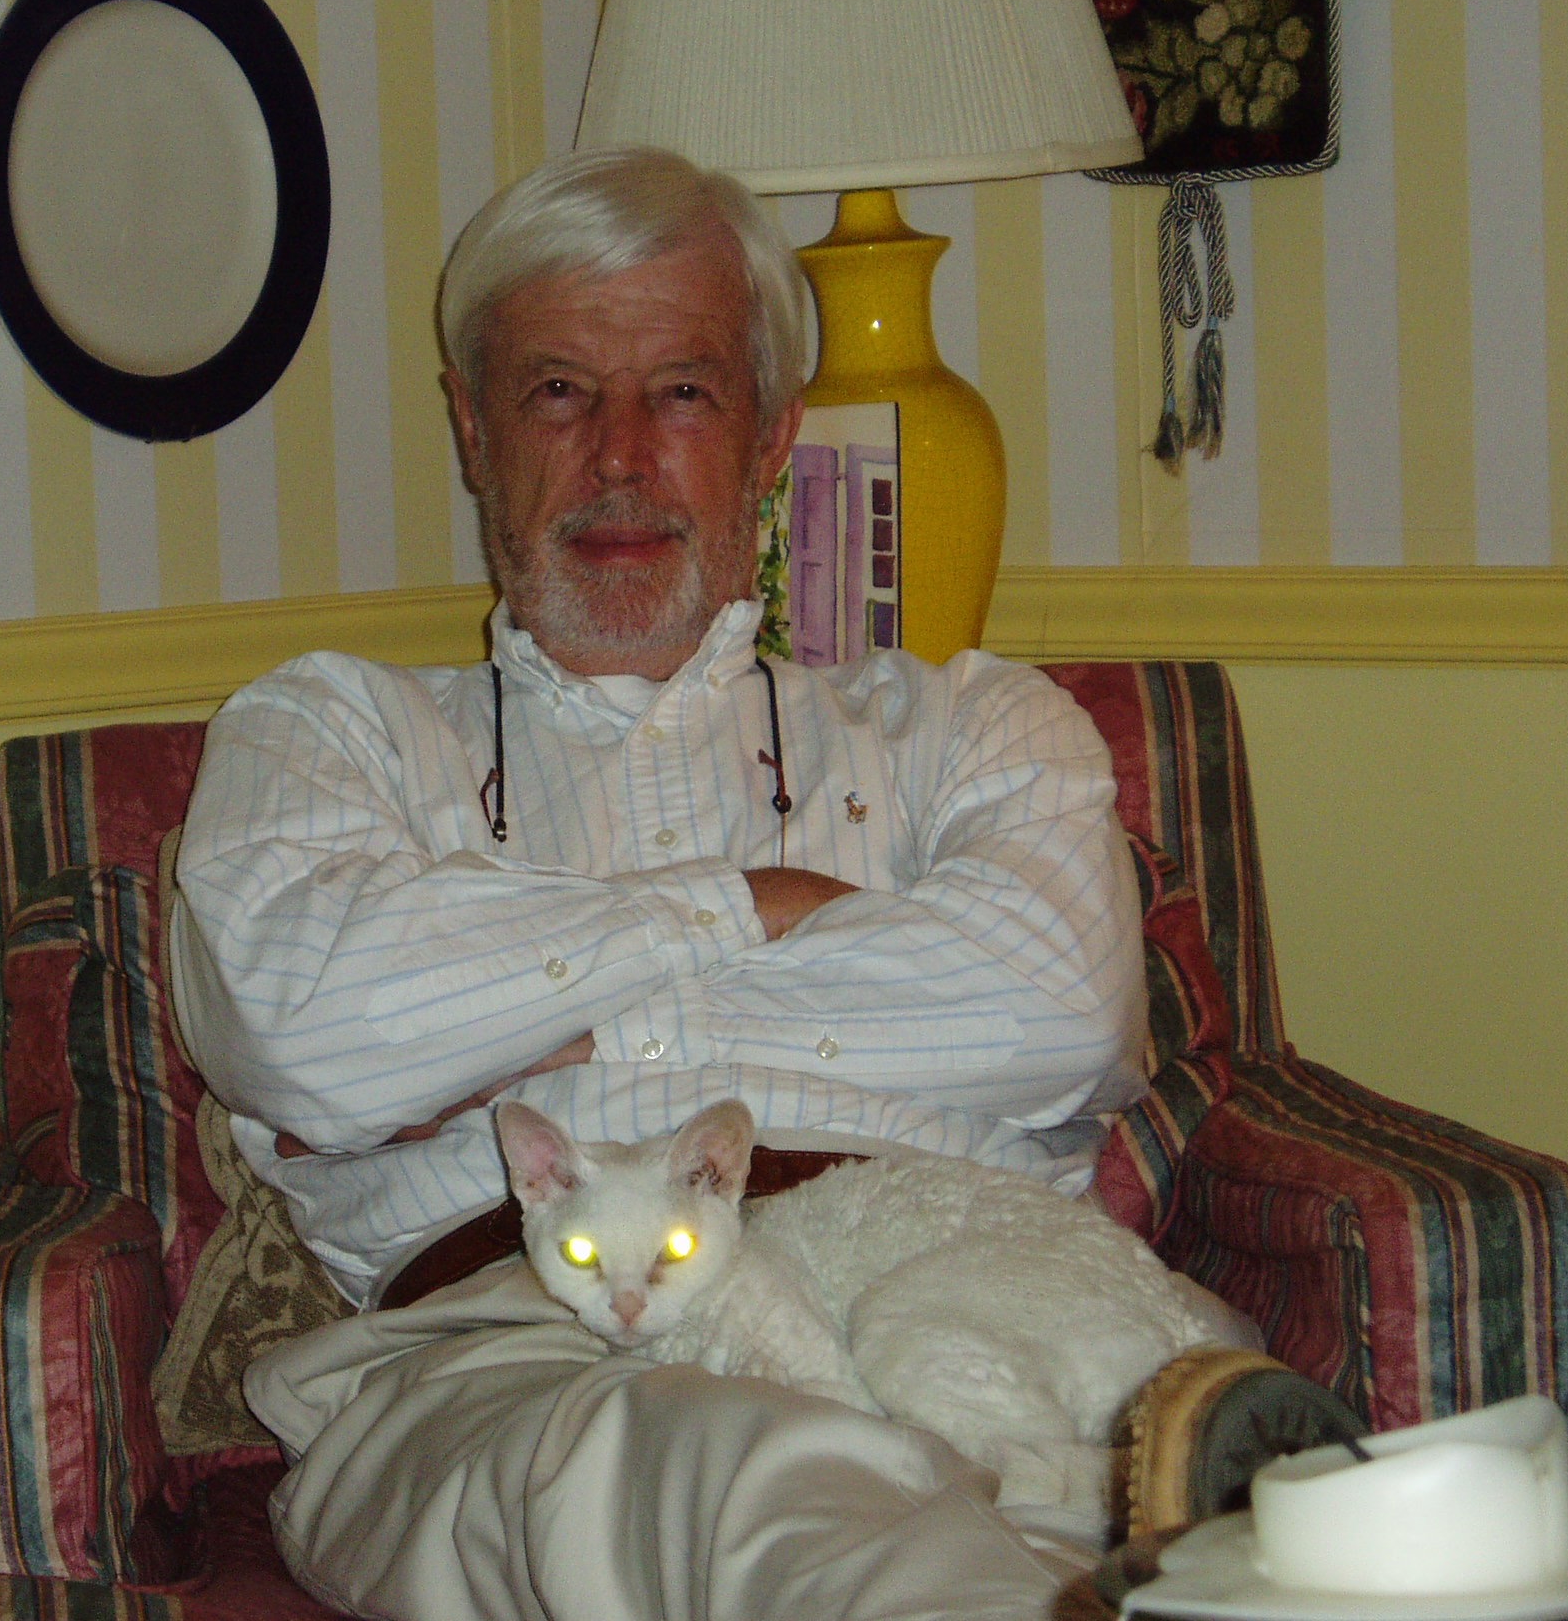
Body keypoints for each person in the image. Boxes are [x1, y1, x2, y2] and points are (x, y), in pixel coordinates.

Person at [168, 146, 1148, 1620]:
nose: (621, 455)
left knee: (1200, 1515)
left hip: (975, 1290)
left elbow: (1060, 1008)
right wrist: (749, 906)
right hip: (524, 1351)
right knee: (741, 1482)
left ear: (772, 435)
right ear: (473, 429)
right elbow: (302, 1031)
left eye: (683, 392)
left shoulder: (975, 729)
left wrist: (550, 1033)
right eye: (559, 392)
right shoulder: (328, 732)